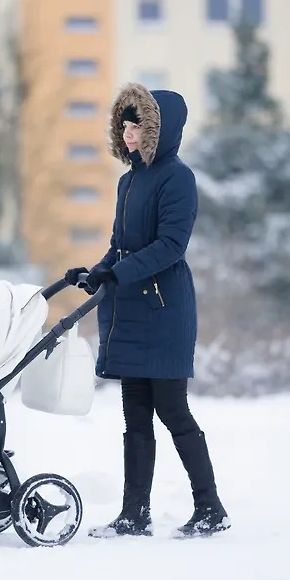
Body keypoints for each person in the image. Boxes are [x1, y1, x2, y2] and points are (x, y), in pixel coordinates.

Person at [65, 82, 230, 539]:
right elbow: (121, 246)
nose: (129, 131)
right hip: (131, 309)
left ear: (159, 130)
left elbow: (171, 246)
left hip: (163, 309)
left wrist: (122, 273)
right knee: (134, 415)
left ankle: (210, 507)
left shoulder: (178, 178)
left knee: (172, 410)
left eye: (138, 124)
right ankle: (134, 514)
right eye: (125, 123)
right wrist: (100, 271)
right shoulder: (129, 180)